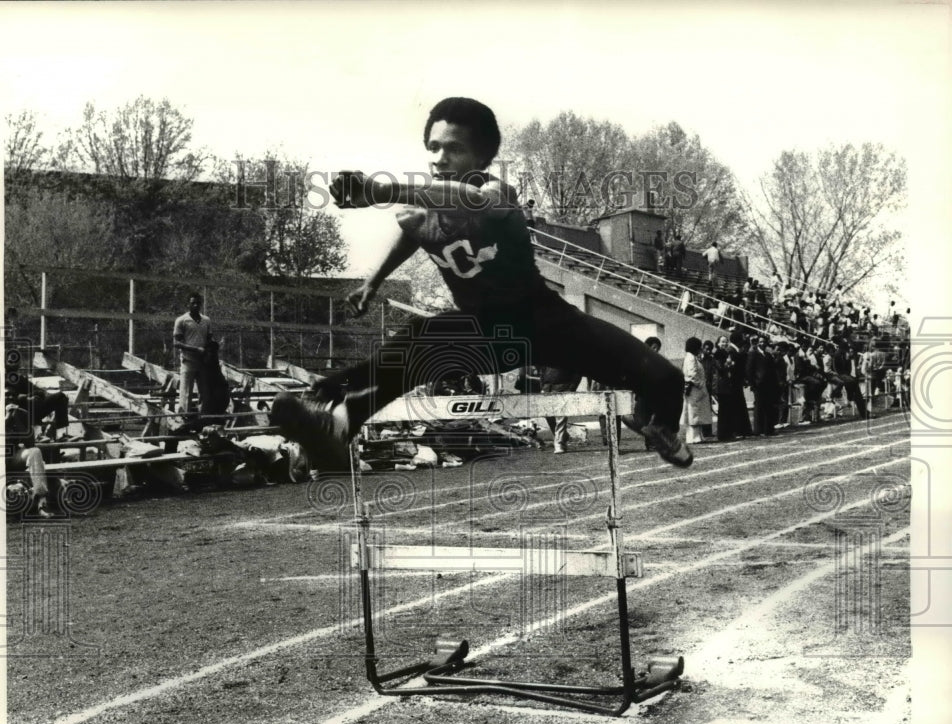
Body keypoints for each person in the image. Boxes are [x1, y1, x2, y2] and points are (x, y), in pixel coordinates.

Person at [271, 97, 692, 471]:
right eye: (433, 147)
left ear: (481, 157)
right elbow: (411, 234)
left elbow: (471, 202)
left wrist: (382, 189)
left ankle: (661, 428)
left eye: (454, 149)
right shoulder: (416, 214)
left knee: (667, 379)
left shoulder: (496, 192)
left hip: (548, 323)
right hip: (491, 334)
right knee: (421, 338)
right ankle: (338, 421)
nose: (440, 158)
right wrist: (373, 282)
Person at [4, 353, 71, 442]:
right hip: (16, 413)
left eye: (16, 362)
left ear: (19, 365)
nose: (13, 364)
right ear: (5, 363)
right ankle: (37, 435)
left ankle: (60, 435)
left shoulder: (21, 379)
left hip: (33, 409)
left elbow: (38, 391)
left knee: (61, 397)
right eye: (10, 361)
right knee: (31, 402)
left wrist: (33, 395)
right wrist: (25, 398)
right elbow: (9, 397)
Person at [173, 292, 213, 415]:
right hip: (188, 361)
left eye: (198, 303)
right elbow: (176, 343)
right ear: (188, 304)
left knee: (205, 392)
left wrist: (213, 347)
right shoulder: (181, 320)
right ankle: (183, 417)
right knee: (186, 393)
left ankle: (203, 417)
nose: (196, 305)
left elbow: (209, 339)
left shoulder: (206, 320)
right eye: (193, 303)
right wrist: (195, 349)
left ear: (201, 304)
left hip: (203, 362)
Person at [540, 365, 581, 454]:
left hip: (563, 388)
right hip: (547, 388)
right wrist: (542, 387)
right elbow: (543, 371)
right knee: (547, 415)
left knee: (560, 417)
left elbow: (578, 372)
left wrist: (571, 389)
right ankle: (562, 436)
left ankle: (559, 444)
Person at [680, 337, 712, 444]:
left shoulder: (692, 357)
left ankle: (697, 435)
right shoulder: (690, 358)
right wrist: (701, 384)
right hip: (694, 390)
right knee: (694, 413)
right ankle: (694, 437)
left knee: (695, 413)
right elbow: (692, 374)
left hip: (695, 390)